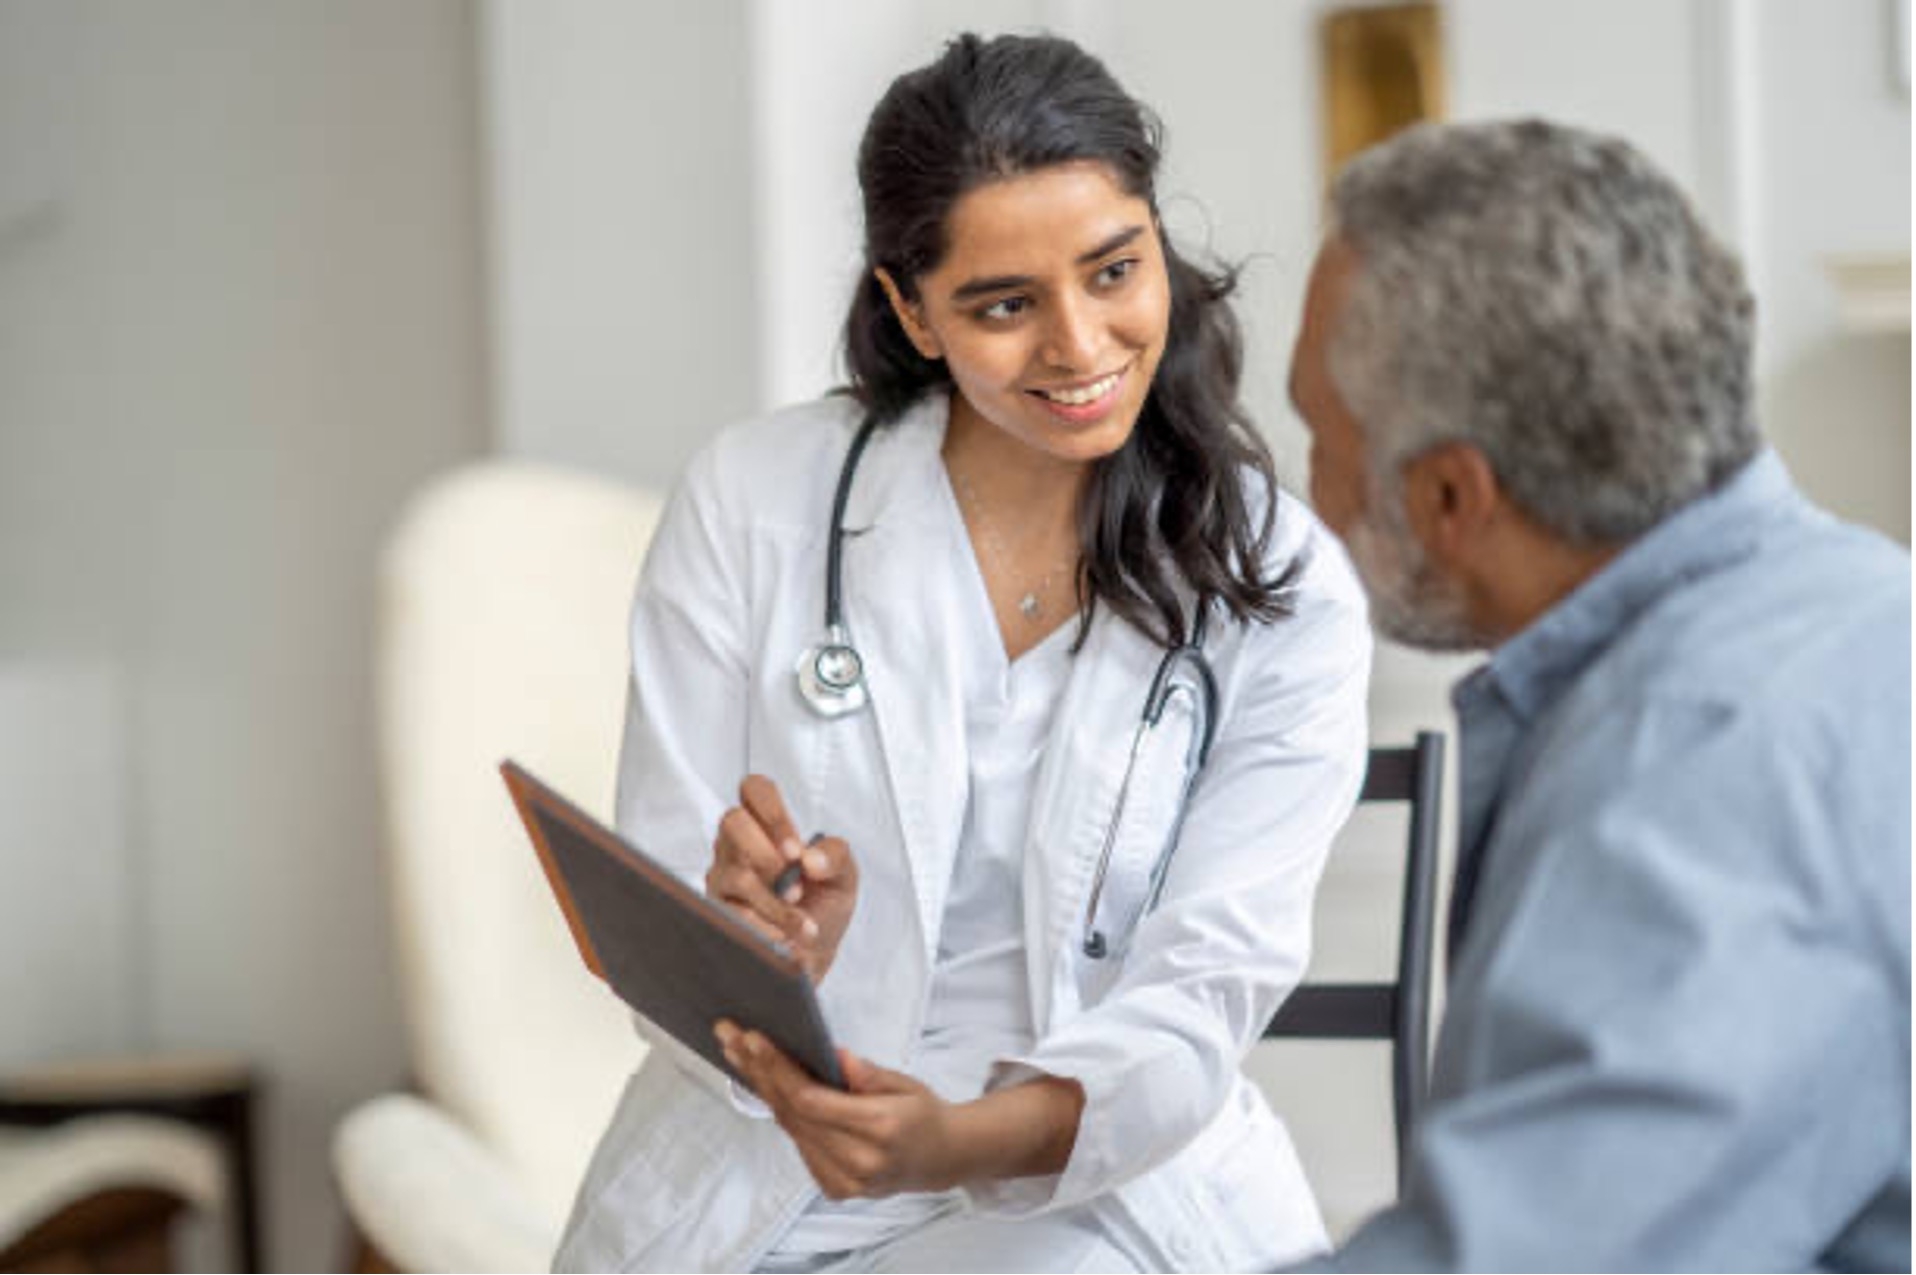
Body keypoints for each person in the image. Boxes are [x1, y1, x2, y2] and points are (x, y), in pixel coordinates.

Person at [553, 32, 1372, 1274]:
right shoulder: (752, 502)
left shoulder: (1282, 584)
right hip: (771, 1173)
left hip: (1093, 1186)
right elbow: (662, 910)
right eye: (1002, 305)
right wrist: (759, 960)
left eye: (1113, 270)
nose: (1079, 345)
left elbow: (1203, 993)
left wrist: (958, 1139)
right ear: (907, 311)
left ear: (1157, 241)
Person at [1284, 117, 1911, 1271]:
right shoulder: (1864, 603)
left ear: (1446, 497)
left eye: (1319, 438)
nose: (1305, 497)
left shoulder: (1694, 768)